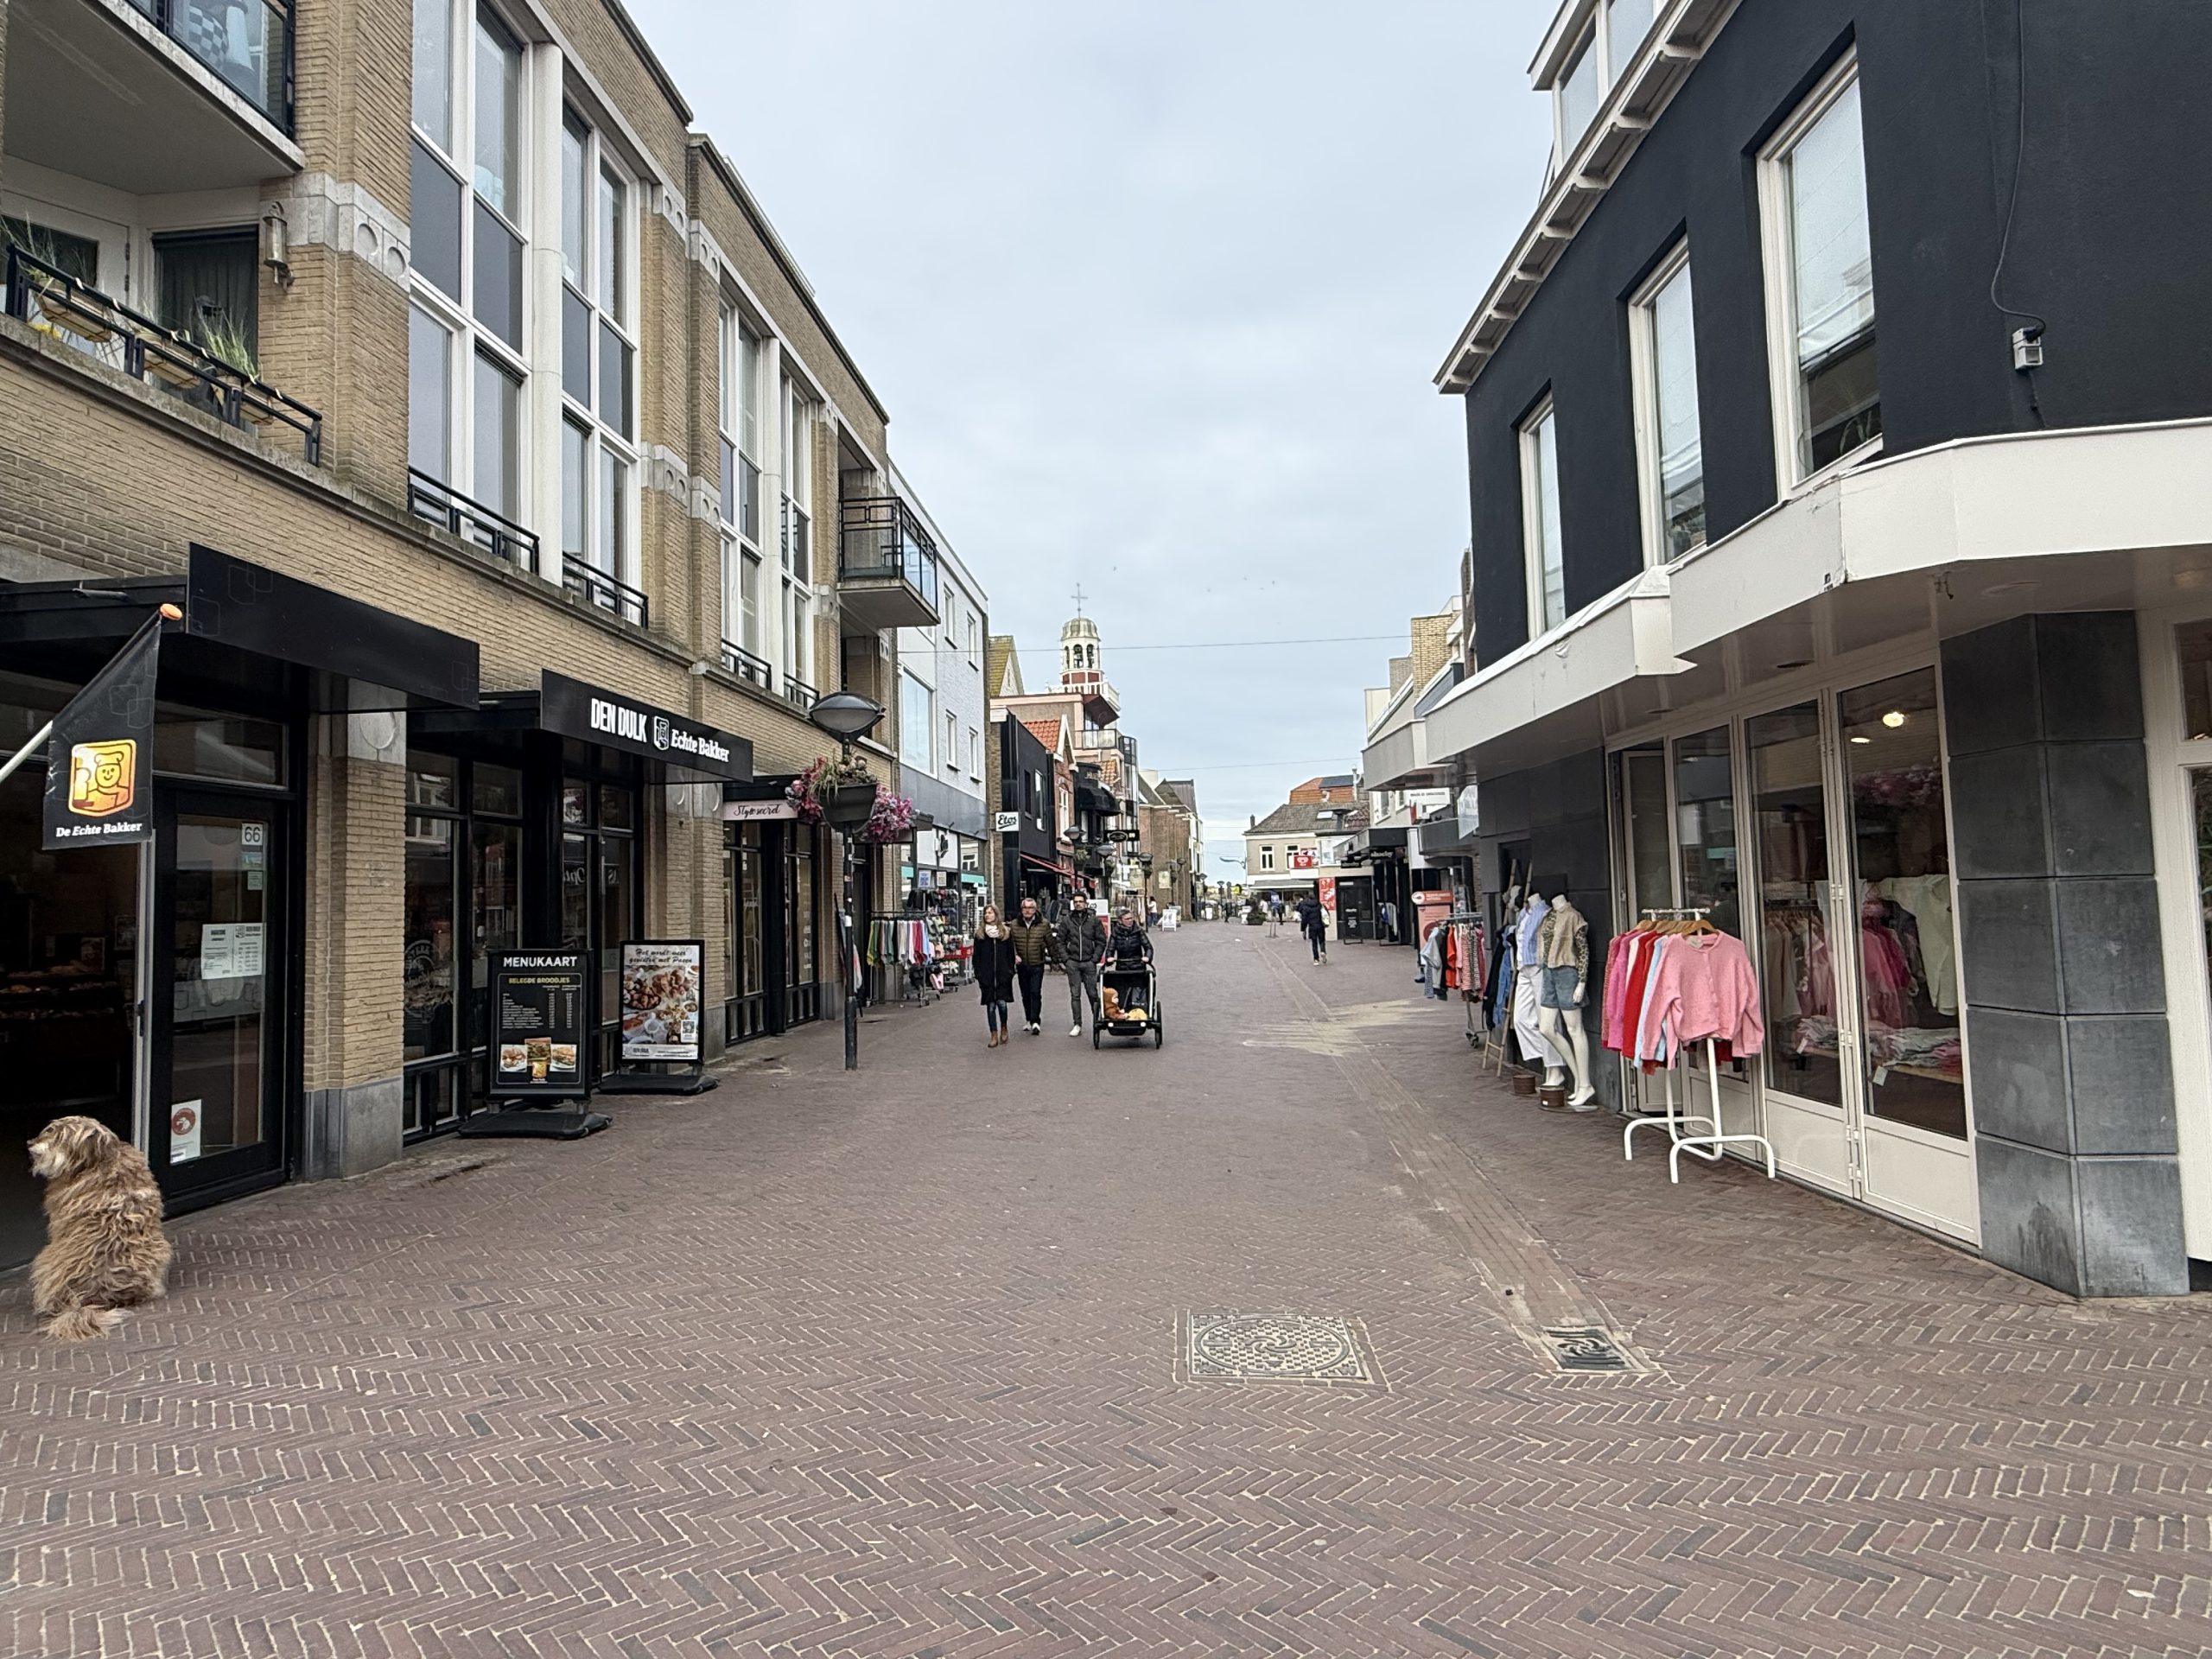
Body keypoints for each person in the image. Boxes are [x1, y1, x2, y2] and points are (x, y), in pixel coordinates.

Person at [1056, 891, 1109, 1035]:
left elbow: (1101, 941)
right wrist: (1066, 959)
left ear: (1086, 903)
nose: (1078, 904)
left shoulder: (1094, 920)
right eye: (1076, 902)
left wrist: (1095, 959)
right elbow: (1060, 941)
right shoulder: (1067, 920)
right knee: (1075, 995)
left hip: (1088, 963)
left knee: (1092, 993)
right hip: (1073, 962)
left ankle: (1097, 1020)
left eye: (1081, 901)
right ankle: (1077, 1024)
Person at [1007, 895, 1058, 1035]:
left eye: (1030, 908)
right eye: (1025, 908)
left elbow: (1051, 943)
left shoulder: (1043, 924)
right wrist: (1014, 956)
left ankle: (1036, 1021)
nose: (1027, 910)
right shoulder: (1014, 924)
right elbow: (1010, 944)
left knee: (1035, 992)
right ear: (1021, 909)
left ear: (1035, 909)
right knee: (1025, 993)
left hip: (1037, 963)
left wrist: (1055, 960)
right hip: (1022, 964)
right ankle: (1029, 1019)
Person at [972, 905, 1017, 1047]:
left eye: (990, 913)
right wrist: (979, 974)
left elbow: (1010, 954)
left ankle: (1004, 1027)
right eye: (986, 913)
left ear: (996, 915)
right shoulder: (980, 935)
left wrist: (1010, 972)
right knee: (991, 1006)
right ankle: (993, 1034)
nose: (987, 915)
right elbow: (976, 956)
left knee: (1002, 1004)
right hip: (987, 977)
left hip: (1003, 976)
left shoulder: (1005, 933)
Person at [1109, 905, 1153, 970]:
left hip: (1138, 966)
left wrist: (1147, 957)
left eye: (1131, 918)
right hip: (1122, 966)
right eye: (1127, 919)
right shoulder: (1116, 933)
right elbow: (1110, 949)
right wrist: (1109, 957)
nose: (1130, 920)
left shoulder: (1138, 931)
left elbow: (1148, 947)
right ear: (1120, 921)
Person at [1296, 893, 1328, 963]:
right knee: (1322, 940)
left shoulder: (1306, 907)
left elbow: (1304, 919)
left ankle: (1316, 959)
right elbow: (1325, 914)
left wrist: (1303, 928)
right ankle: (1323, 951)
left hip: (1312, 927)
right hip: (1320, 926)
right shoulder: (1320, 905)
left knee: (1314, 943)